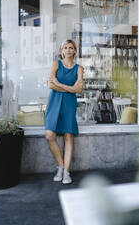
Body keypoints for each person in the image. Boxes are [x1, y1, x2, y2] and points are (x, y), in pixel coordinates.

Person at [45, 39, 84, 184]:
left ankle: (66, 172)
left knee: (68, 136)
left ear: (74, 51)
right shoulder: (56, 64)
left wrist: (59, 84)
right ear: (62, 50)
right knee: (49, 136)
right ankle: (60, 166)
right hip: (54, 102)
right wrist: (70, 88)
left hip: (69, 104)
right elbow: (50, 84)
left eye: (71, 48)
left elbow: (79, 89)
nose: (68, 50)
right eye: (65, 47)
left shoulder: (79, 68)